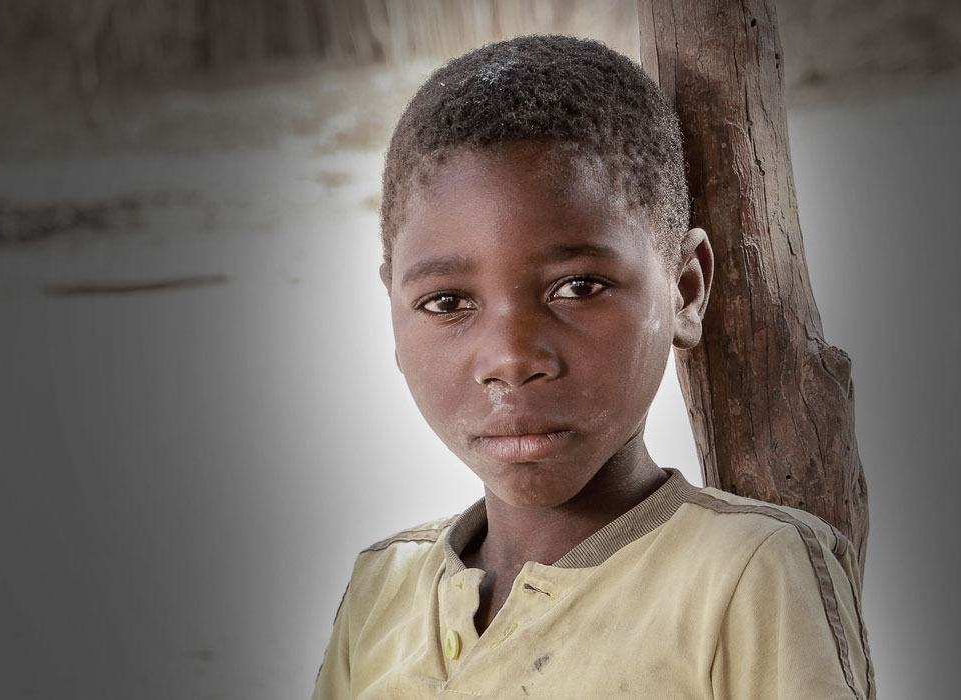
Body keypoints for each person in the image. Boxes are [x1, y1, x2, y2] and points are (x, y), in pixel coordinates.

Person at [311, 35, 873, 699]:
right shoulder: (384, 587)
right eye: (447, 302)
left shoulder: (746, 574)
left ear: (686, 291)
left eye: (577, 287)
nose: (512, 359)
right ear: (394, 311)